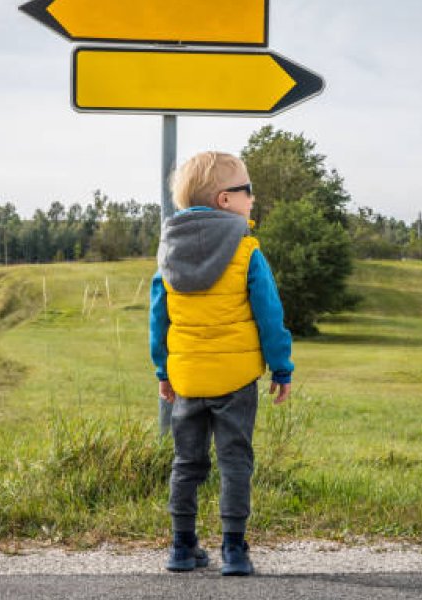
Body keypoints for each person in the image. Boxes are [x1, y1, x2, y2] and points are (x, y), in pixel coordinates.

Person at [149, 151, 293, 576]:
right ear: (225, 200)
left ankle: (181, 546)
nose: (253, 198)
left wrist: (164, 369)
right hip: (235, 380)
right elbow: (270, 314)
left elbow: (159, 318)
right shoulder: (247, 251)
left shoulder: (168, 253)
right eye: (248, 191)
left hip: (188, 378)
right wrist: (281, 367)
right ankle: (234, 549)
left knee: (186, 463)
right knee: (235, 460)